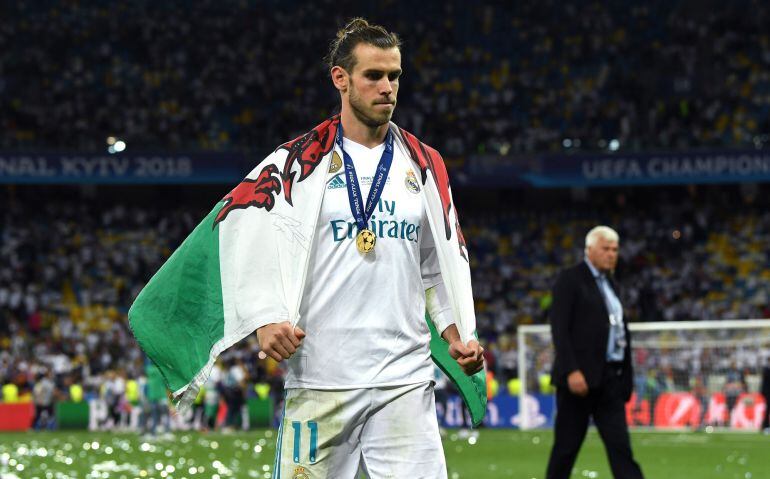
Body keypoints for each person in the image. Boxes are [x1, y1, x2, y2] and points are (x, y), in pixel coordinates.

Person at [248, 18, 484, 478]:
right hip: (320, 380)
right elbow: (252, 247)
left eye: (394, 76)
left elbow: (437, 267)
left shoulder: (424, 163)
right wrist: (263, 319)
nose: (387, 87)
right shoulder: (297, 163)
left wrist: (456, 334)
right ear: (341, 79)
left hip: (405, 381)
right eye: (373, 75)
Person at [545, 226, 644, 479]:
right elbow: (560, 328)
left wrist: (625, 378)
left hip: (610, 380)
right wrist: (571, 370)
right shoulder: (570, 279)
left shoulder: (611, 283)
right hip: (579, 380)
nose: (612, 254)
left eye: (615, 249)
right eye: (606, 249)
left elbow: (619, 331)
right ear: (589, 250)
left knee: (621, 448)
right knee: (566, 449)